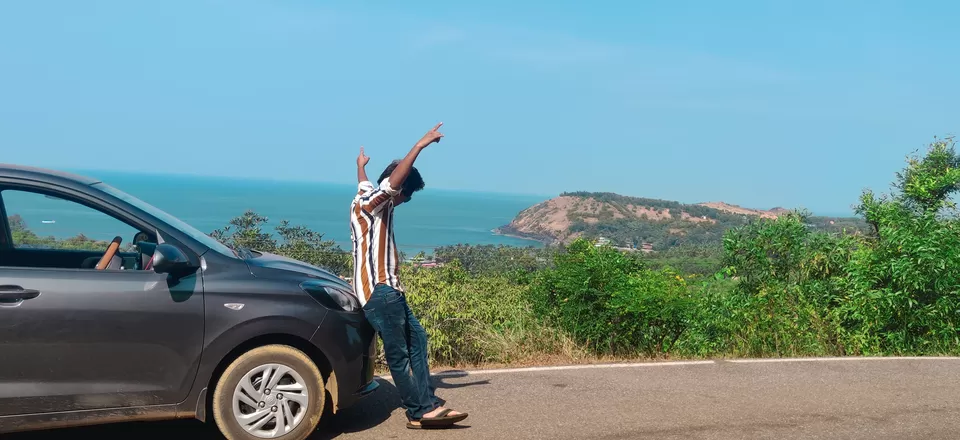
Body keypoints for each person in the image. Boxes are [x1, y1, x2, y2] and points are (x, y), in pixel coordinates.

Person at [350, 123, 468, 429]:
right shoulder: (375, 205)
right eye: (408, 195)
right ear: (400, 190)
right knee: (398, 354)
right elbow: (389, 185)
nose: (406, 200)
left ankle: (425, 398)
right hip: (380, 291)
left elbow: (367, 183)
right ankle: (418, 411)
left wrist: (360, 167)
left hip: (390, 291)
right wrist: (420, 145)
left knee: (419, 338)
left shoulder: (363, 196)